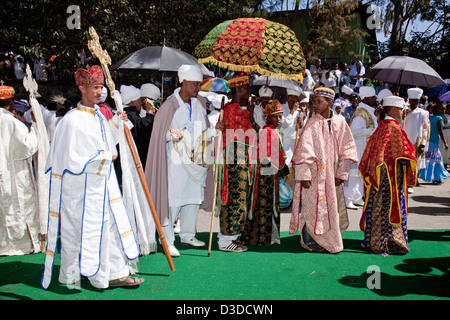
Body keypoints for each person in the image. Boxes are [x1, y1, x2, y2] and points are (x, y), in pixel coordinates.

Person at [41, 65, 143, 289]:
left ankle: (112, 273)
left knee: (108, 228)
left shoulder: (98, 116)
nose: (100, 92)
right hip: (80, 191)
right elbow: (68, 158)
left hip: (100, 186)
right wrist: (103, 158)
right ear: (82, 88)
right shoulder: (71, 120)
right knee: (82, 231)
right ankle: (87, 274)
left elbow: (107, 143)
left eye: (101, 87)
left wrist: (116, 124)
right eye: (95, 87)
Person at [144, 65, 219, 257]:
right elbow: (160, 132)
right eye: (194, 84)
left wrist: (215, 130)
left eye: (198, 84)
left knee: (193, 198)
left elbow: (204, 129)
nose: (197, 88)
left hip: (197, 161)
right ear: (184, 82)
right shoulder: (170, 105)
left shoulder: (200, 103)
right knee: (173, 199)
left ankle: (188, 234)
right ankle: (167, 240)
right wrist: (172, 134)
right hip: (175, 161)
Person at [289, 87, 358, 253]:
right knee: (311, 207)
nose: (316, 105)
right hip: (314, 174)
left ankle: (328, 238)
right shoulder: (311, 123)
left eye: (320, 101)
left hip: (332, 173)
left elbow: (347, 148)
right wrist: (304, 175)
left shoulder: (340, 122)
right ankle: (310, 240)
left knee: (330, 208)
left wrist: (342, 172)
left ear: (330, 103)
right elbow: (303, 150)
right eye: (315, 101)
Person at [358, 96, 417, 256]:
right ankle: (392, 241)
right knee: (391, 207)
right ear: (393, 109)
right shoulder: (394, 128)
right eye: (400, 108)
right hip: (392, 179)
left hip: (380, 178)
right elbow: (406, 153)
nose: (402, 111)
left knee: (378, 205)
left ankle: (376, 240)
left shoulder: (382, 127)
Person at [217, 74, 256, 252]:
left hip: (240, 156)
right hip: (235, 157)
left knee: (239, 197)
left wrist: (250, 113)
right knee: (235, 196)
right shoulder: (233, 110)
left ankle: (231, 236)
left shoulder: (241, 110)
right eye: (246, 88)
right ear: (238, 90)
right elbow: (245, 136)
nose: (249, 92)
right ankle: (226, 240)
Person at [241, 100, 288, 246]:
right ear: (268, 117)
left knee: (269, 205)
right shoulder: (267, 132)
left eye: (280, 116)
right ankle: (263, 238)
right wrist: (280, 166)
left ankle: (270, 236)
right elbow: (266, 154)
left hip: (271, 174)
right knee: (264, 205)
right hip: (265, 175)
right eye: (276, 116)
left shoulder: (274, 131)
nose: (279, 120)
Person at [0, 85, 40, 256]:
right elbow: (27, 145)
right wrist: (36, 130)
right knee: (17, 207)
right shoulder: (10, 122)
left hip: (6, 170)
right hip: (14, 172)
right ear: (11, 103)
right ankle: (18, 245)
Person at [344, 86, 378, 209]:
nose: (375, 99)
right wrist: (371, 131)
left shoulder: (368, 111)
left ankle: (357, 197)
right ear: (367, 98)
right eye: (373, 97)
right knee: (353, 175)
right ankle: (348, 198)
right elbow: (354, 131)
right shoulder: (361, 113)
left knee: (360, 174)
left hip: (364, 147)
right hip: (357, 147)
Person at [120, 84, 155, 167]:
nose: (140, 103)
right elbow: (142, 130)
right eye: (139, 101)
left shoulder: (131, 114)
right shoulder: (129, 114)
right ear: (132, 102)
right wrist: (149, 112)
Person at [404, 88, 430, 192]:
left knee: (415, 162)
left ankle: (411, 183)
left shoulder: (423, 113)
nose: (413, 102)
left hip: (416, 139)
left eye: (416, 100)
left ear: (419, 101)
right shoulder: (404, 112)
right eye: (412, 100)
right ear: (409, 100)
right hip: (405, 139)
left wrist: (423, 143)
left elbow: (425, 129)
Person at [418, 102, 450, 183]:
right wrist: (445, 142)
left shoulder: (430, 118)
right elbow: (440, 131)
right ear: (437, 109)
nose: (444, 110)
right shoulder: (439, 118)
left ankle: (434, 177)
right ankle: (436, 177)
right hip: (435, 141)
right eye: (442, 109)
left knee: (430, 159)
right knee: (436, 159)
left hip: (429, 141)